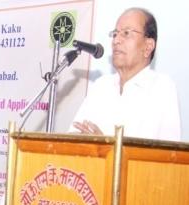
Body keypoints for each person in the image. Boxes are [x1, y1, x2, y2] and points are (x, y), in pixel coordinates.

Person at [70, 7, 181, 141]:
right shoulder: (101, 86)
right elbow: (73, 137)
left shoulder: (161, 87)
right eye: (115, 34)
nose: (116, 40)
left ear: (148, 46)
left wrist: (106, 146)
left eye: (126, 33)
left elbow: (167, 156)